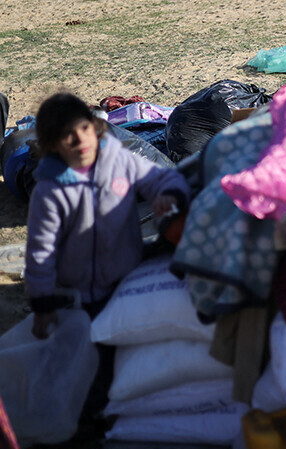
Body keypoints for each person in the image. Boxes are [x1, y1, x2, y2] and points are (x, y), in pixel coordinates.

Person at [25, 92, 191, 419]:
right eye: (67, 136)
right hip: (79, 291)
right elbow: (40, 253)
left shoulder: (119, 160)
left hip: (126, 272)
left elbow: (162, 177)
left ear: (95, 127)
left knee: (129, 345)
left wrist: (169, 196)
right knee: (92, 358)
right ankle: (91, 416)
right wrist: (42, 304)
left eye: (83, 129)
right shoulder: (49, 192)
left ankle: (128, 400)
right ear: (53, 145)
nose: (79, 140)